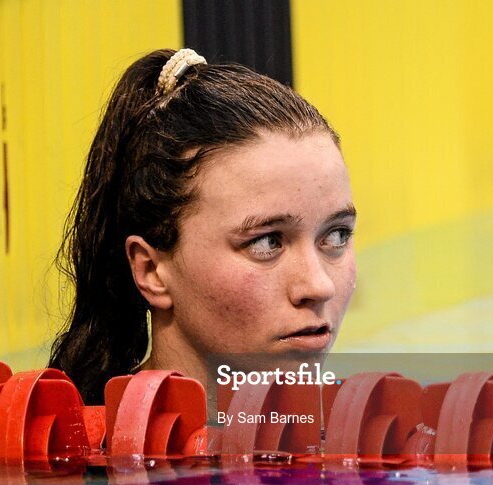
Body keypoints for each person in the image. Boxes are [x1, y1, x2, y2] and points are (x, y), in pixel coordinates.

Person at [50, 48, 357, 405]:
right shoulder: (79, 457)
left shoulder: (379, 437)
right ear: (152, 271)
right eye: (267, 242)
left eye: (336, 235)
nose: (319, 286)